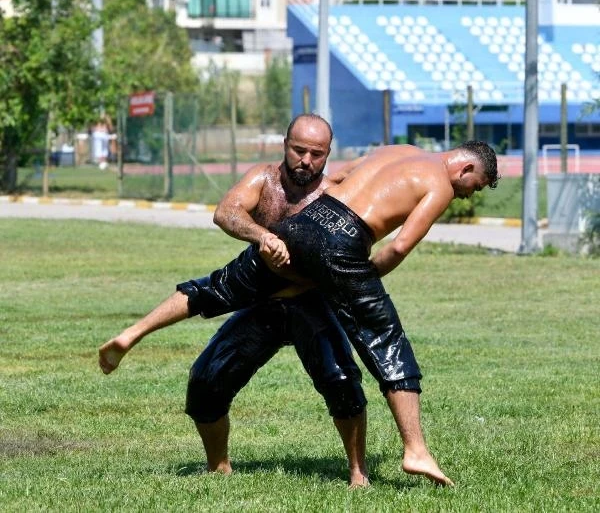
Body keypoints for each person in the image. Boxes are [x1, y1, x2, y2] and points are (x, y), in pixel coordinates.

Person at [148, 139, 499, 487]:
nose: (469, 194)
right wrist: (357, 280)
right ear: (465, 168)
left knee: (226, 289)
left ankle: (133, 333)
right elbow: (401, 245)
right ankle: (415, 450)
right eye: (475, 186)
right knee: (385, 338)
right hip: (331, 255)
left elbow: (343, 175)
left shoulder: (399, 149)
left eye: (316, 154)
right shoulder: (440, 184)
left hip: (306, 239)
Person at [99, 114, 369, 487]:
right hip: (262, 296)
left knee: (340, 379)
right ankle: (218, 466)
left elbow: (385, 165)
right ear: (284, 145)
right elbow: (226, 212)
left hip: (311, 300)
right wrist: (262, 237)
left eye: (316, 154)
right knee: (206, 380)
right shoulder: (264, 178)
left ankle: (358, 472)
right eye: (298, 150)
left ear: (328, 155)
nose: (306, 160)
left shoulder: (337, 189)